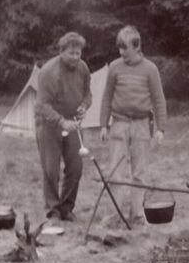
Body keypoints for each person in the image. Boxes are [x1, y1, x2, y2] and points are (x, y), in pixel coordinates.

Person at [99, 25, 167, 225]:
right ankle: (113, 216)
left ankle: (137, 215)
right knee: (115, 171)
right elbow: (106, 97)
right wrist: (104, 125)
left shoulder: (150, 69)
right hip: (119, 124)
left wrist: (160, 129)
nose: (121, 53)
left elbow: (159, 100)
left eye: (125, 48)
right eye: (119, 48)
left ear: (137, 47)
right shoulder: (114, 67)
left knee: (140, 172)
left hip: (141, 125)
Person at [34, 32, 92, 221]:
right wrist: (61, 121)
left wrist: (84, 106)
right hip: (49, 124)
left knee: (76, 166)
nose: (76, 57)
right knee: (51, 169)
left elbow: (87, 95)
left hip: (72, 123)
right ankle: (53, 210)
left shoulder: (83, 68)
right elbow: (41, 105)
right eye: (71, 53)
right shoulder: (49, 72)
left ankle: (67, 208)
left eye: (78, 53)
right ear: (61, 52)